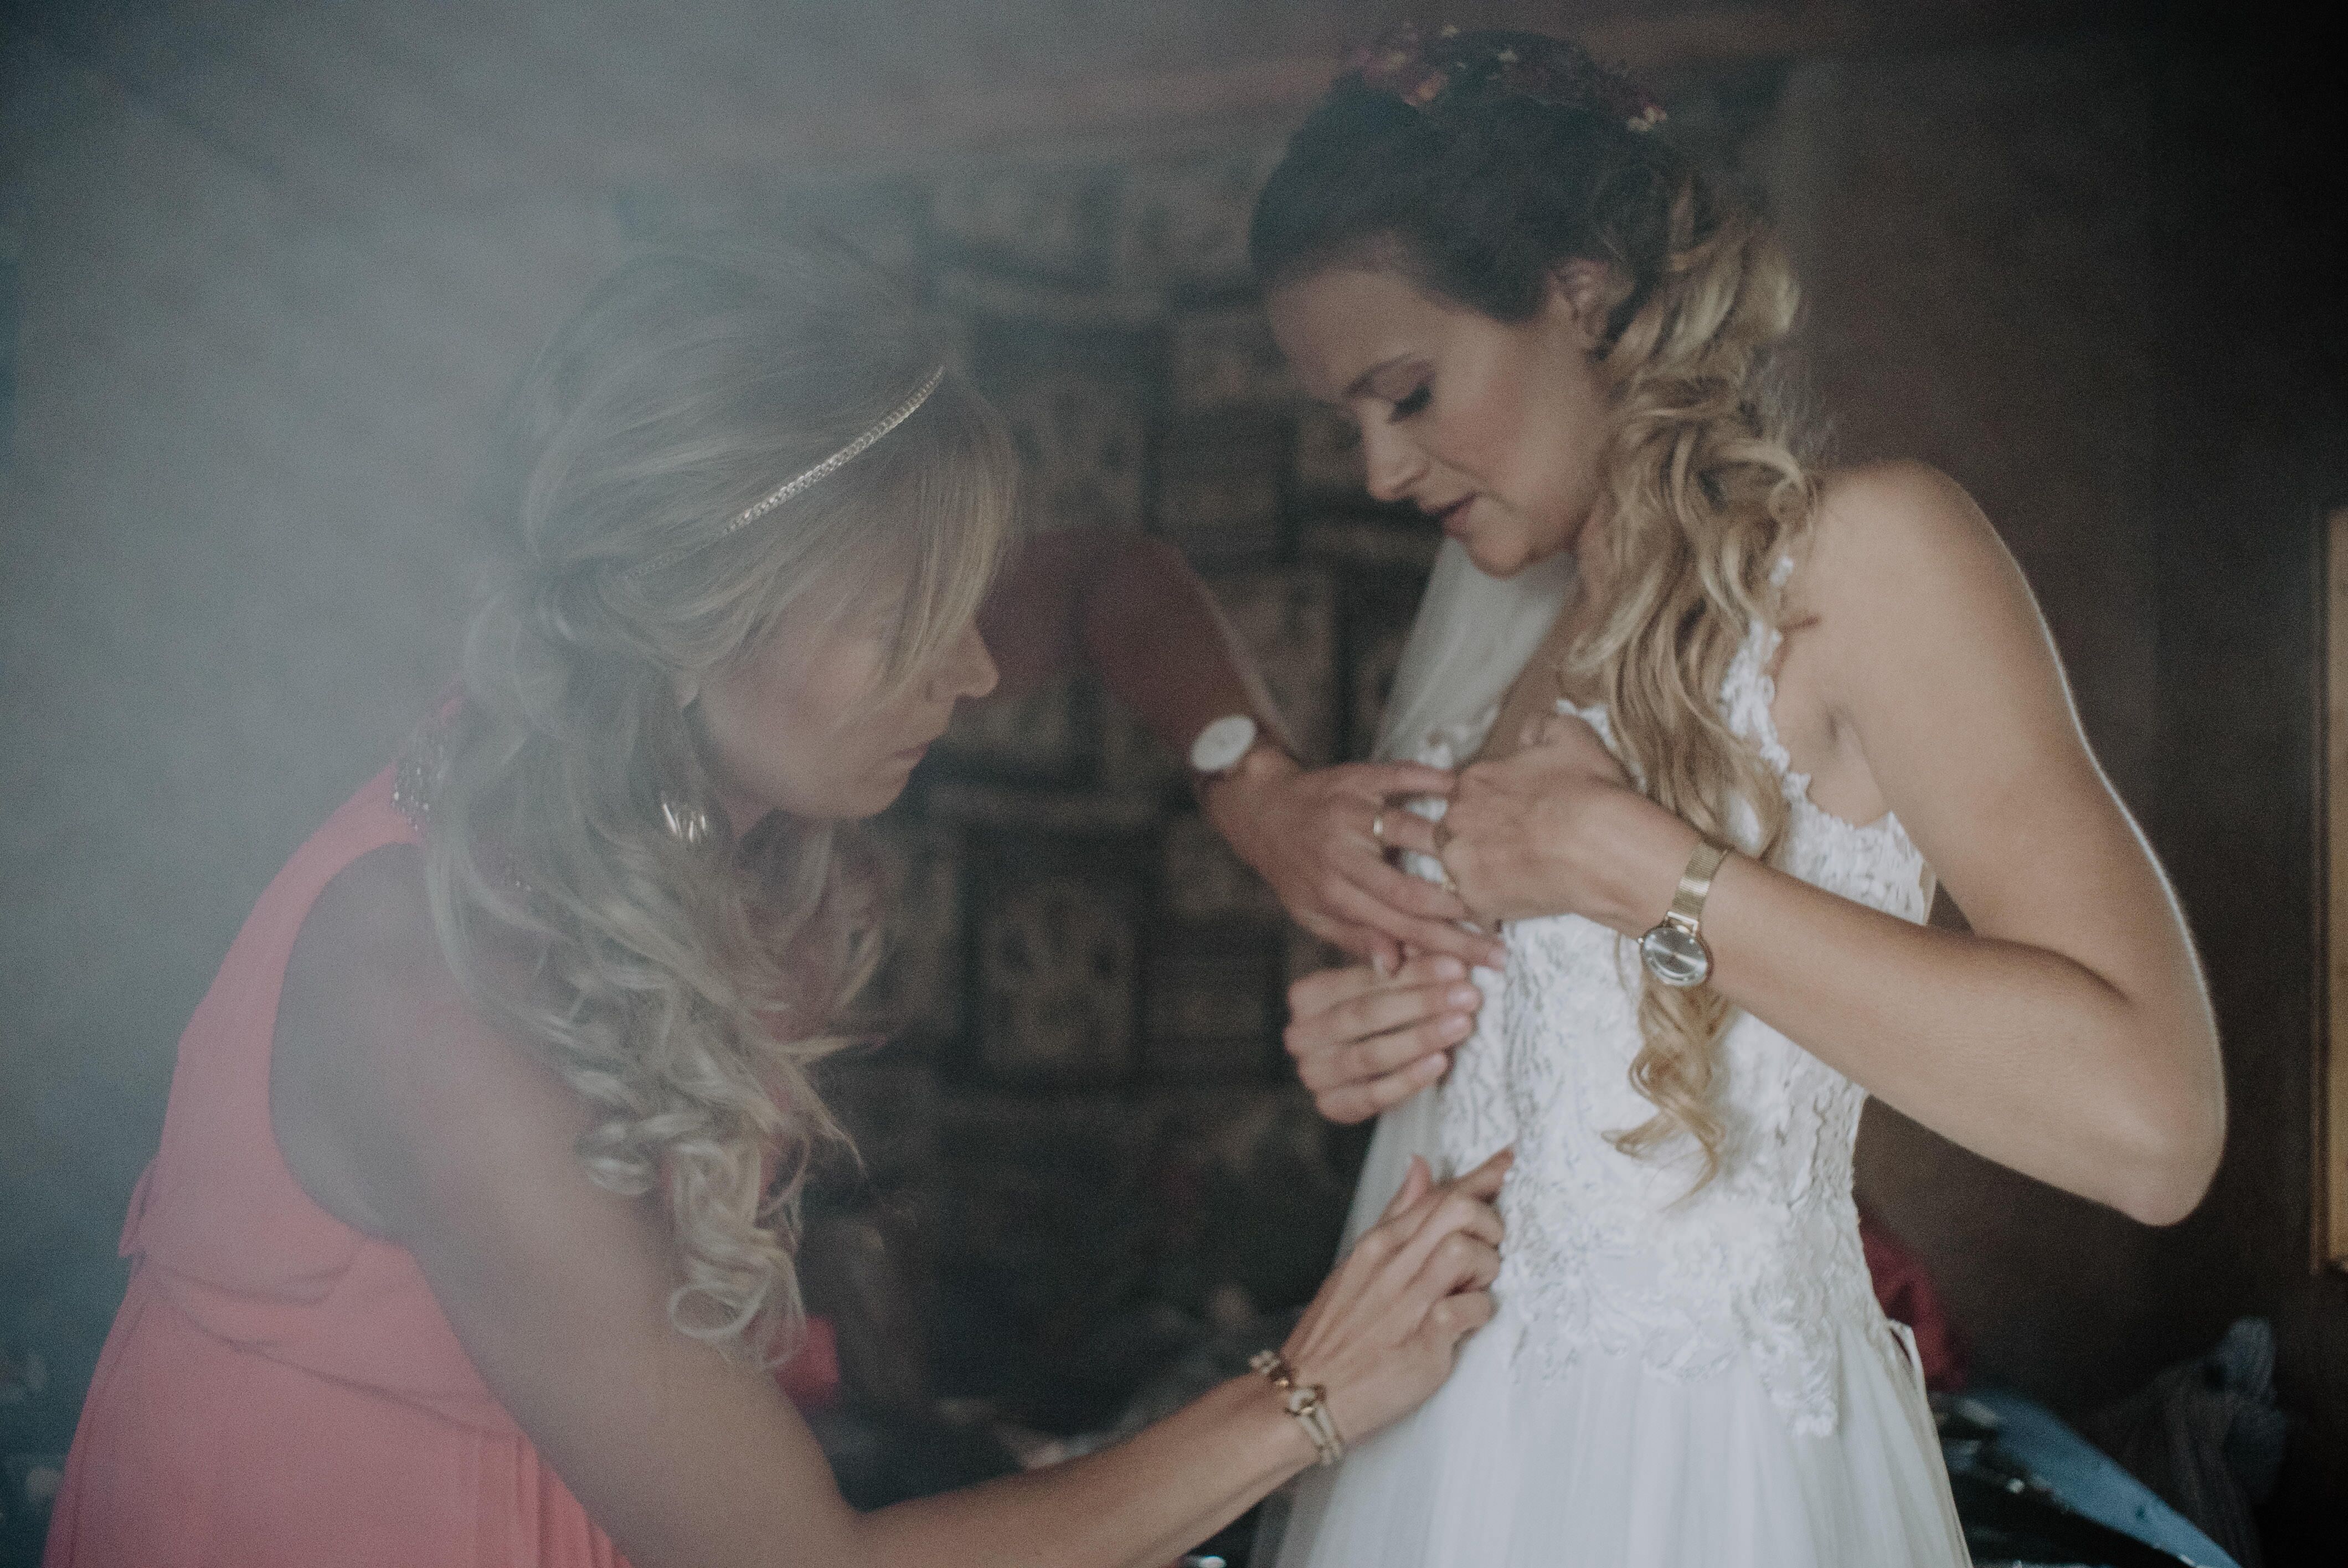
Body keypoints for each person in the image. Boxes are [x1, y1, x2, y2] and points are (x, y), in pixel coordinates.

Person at [42, 238, 1512, 1568]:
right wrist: (1308, 1397)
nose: (978, 671)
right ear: (694, 614)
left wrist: (1257, 795)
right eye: (910, 623)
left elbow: (1109, 587)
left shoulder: (697, 716)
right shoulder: (437, 1002)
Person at [1248, 25, 2225, 1568]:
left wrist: (1650, 873)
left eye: (1411, 391)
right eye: (1350, 422)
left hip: (1719, 1480)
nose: (1380, 471)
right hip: (1454, 1475)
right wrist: (1408, 1038)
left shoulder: (1866, 562)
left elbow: (2151, 1127)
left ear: (1579, 295)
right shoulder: (1526, 650)